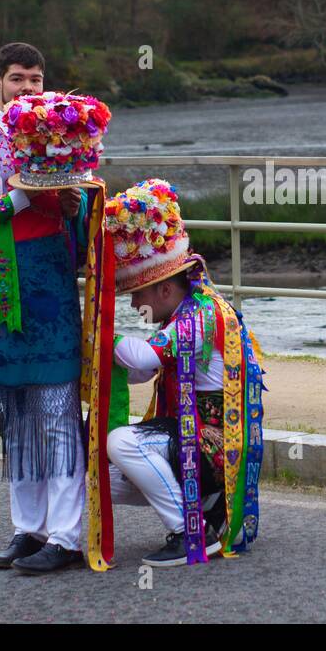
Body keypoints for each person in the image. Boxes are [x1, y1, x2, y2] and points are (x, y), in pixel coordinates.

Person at [0, 41, 96, 575]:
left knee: (56, 411)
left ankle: (68, 535)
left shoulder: (63, 134)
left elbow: (78, 220)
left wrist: (78, 206)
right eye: (18, 79)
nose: (29, 88)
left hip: (51, 289)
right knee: (19, 416)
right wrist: (19, 197)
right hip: (2, 288)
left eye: (36, 78)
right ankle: (28, 529)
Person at [99, 179, 266, 567]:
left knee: (123, 443)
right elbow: (141, 371)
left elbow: (141, 359)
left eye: (137, 295)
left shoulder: (200, 315)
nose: (134, 304)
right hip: (193, 439)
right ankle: (206, 508)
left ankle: (191, 532)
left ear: (164, 289)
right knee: (100, 471)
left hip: (212, 444)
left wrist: (98, 334)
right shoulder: (185, 314)